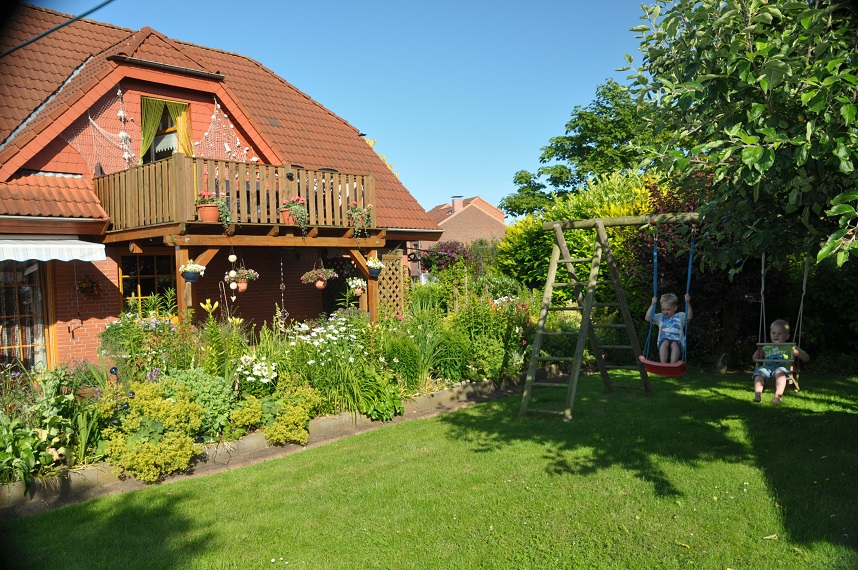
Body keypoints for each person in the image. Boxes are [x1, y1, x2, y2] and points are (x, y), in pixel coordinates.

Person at [753, 319, 810, 404]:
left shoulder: (790, 347)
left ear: (786, 336)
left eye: (780, 333)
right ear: (770, 334)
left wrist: (798, 353)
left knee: (779, 372)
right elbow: (754, 359)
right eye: (773, 333)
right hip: (767, 369)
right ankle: (758, 394)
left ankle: (778, 396)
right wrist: (757, 354)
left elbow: (807, 358)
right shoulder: (766, 347)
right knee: (759, 373)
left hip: (782, 369)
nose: (776, 335)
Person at [644, 292, 692, 364]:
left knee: (674, 344)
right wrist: (652, 304)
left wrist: (687, 302)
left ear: (675, 308)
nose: (665, 312)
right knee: (665, 342)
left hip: (677, 342)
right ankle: (663, 364)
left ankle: (673, 365)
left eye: (668, 309)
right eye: (663, 309)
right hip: (663, 342)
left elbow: (689, 316)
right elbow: (647, 318)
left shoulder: (680, 316)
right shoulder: (660, 317)